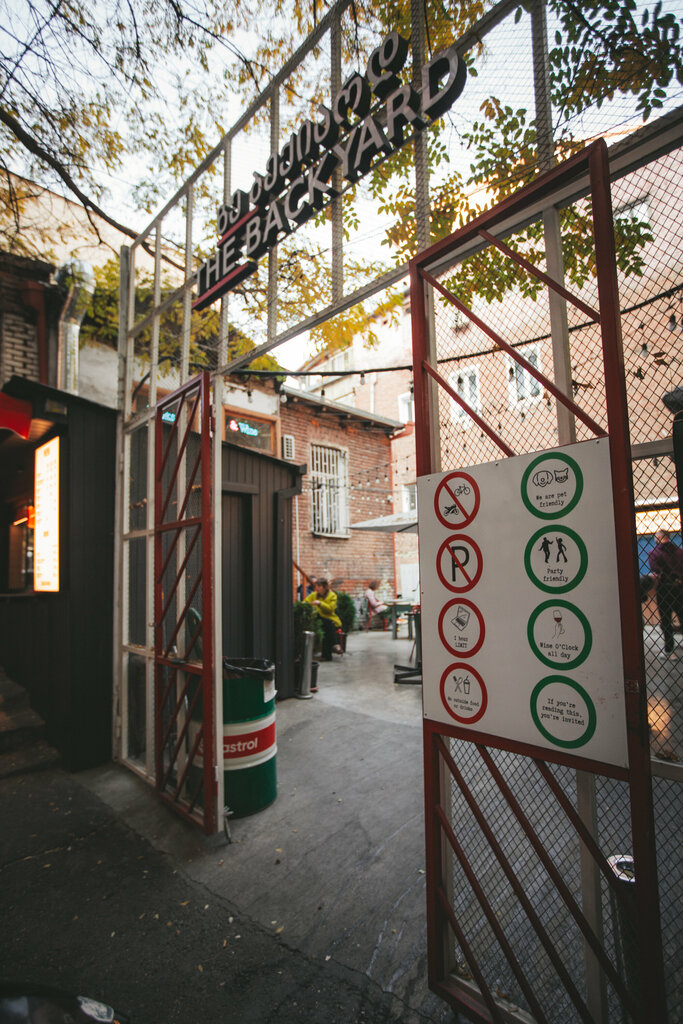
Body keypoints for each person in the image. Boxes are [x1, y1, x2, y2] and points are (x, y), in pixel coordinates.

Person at [648, 529, 683, 657]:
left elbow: (656, 570)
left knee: (666, 619)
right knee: (682, 615)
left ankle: (669, 648)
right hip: (680, 587)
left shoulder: (654, 553)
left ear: (658, 538)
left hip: (664, 589)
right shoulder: (679, 552)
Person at [305, 578, 342, 661]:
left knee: (327, 626)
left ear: (324, 587)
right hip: (317, 618)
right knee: (328, 624)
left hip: (329, 618)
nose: (317, 588)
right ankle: (335, 644)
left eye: (319, 586)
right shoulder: (313, 595)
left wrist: (320, 604)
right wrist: (310, 604)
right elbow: (305, 603)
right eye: (316, 586)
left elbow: (330, 609)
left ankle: (326, 656)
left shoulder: (332, 595)